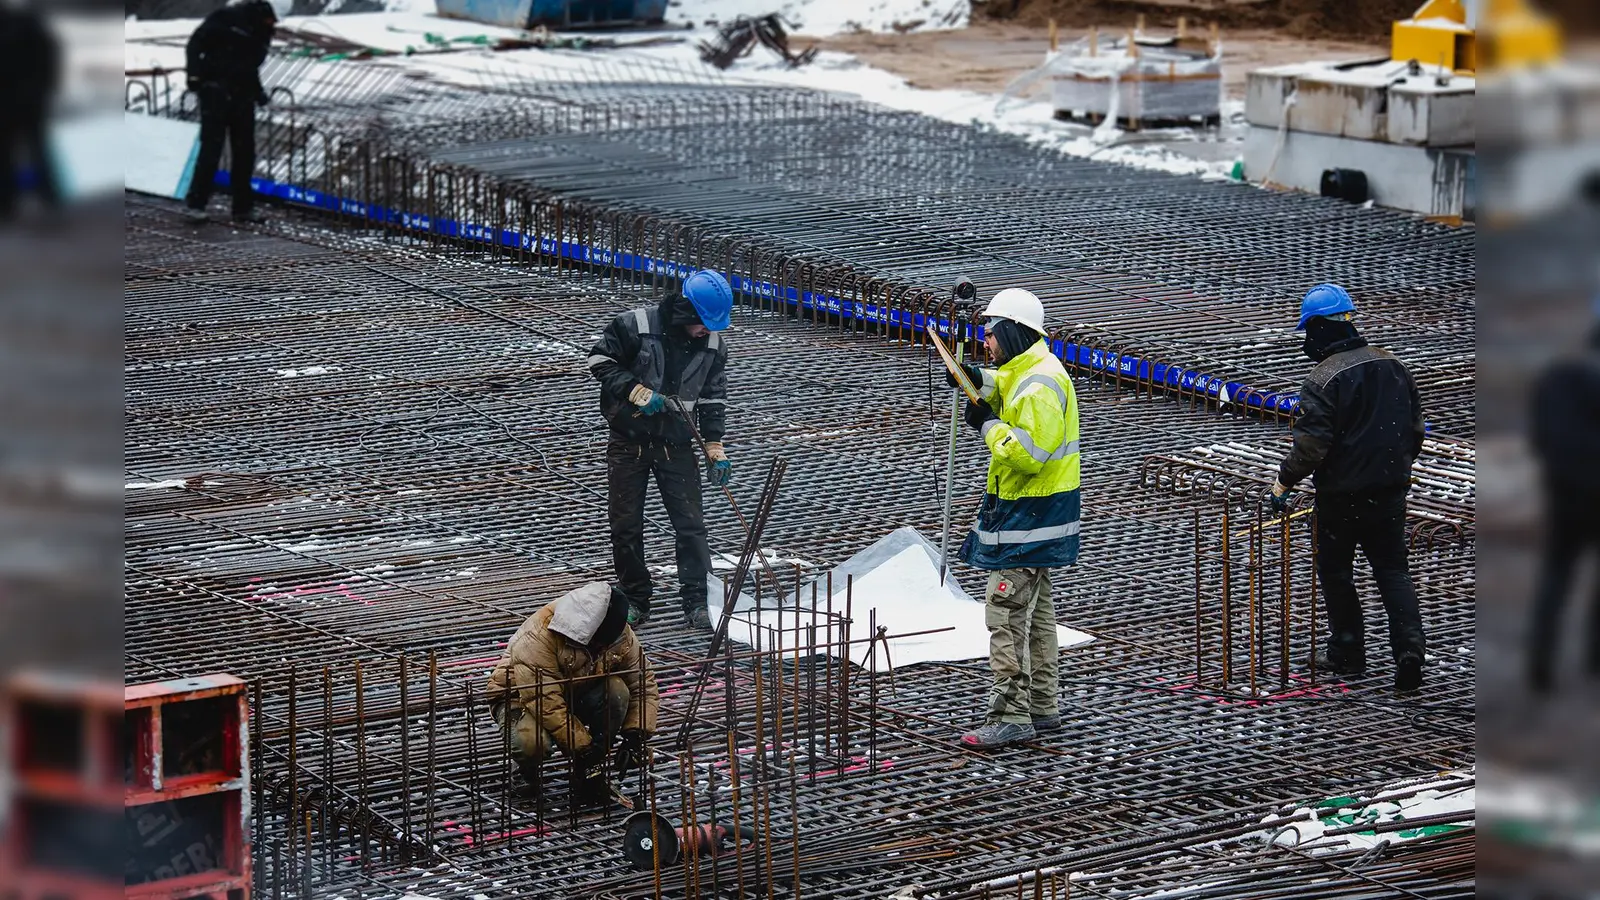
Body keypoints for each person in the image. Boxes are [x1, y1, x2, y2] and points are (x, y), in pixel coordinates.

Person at [1269, 283, 1427, 694]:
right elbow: (1415, 429)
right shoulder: (1392, 365)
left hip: (1341, 498)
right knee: (1393, 571)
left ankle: (1348, 651)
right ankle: (1409, 652)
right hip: (1390, 492)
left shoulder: (1322, 379)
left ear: (1320, 328)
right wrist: (1394, 470)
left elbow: (1311, 447)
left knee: (1337, 573)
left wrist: (1283, 483)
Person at [948, 287, 1081, 750]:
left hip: (1028, 514)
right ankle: (1042, 705)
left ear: (1012, 330)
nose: (986, 338)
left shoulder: (1040, 385)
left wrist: (986, 424)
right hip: (1039, 513)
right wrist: (975, 379)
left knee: (1004, 612)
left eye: (991, 330)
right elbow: (1005, 383)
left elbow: (1029, 454)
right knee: (1038, 612)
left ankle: (1010, 715)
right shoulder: (1031, 367)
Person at [587, 270, 733, 631]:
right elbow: (599, 362)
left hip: (678, 445)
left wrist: (714, 444)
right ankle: (636, 598)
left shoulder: (713, 346)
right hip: (628, 441)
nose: (707, 331)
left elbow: (713, 397)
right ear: (685, 310)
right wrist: (634, 390)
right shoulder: (633, 326)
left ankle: (698, 600)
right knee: (626, 526)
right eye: (702, 323)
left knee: (691, 527)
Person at [485, 582, 659, 806]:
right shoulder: (540, 635)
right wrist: (581, 749)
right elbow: (545, 703)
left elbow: (643, 684)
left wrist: (636, 736)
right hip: (521, 697)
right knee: (531, 743)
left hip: (574, 689)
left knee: (618, 692)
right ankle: (526, 771)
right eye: (598, 644)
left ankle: (590, 770)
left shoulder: (621, 635)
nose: (601, 649)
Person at [1526, 296, 1600, 693]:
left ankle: (1541, 664)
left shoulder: (1559, 376)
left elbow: (1540, 438)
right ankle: (1593, 659)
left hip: (1567, 493)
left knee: (1556, 576)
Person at [182, 0, 283, 224]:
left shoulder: (259, 32)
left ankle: (243, 207)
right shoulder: (226, 21)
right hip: (215, 92)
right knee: (211, 150)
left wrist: (258, 93)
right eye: (269, 22)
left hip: (242, 95)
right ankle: (196, 204)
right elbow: (195, 45)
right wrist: (195, 76)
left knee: (245, 152)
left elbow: (247, 67)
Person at [0, 0, 60, 221]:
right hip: (26, 101)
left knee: (19, 153)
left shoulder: (24, 24)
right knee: (32, 152)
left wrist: (43, 89)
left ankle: (13, 202)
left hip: (22, 101)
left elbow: (47, 57)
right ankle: (45, 199)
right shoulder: (26, 24)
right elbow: (49, 56)